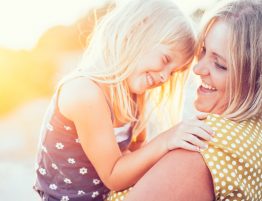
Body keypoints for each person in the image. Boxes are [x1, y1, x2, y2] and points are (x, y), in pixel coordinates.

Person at [33, 0, 215, 200]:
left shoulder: (134, 95)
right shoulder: (85, 93)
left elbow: (135, 153)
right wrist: (167, 139)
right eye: (165, 60)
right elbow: (114, 175)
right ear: (134, 34)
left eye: (172, 73)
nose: (164, 77)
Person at [123, 0, 262, 200]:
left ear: (255, 80)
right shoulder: (253, 131)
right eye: (203, 51)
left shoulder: (203, 142)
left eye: (220, 65)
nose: (197, 69)